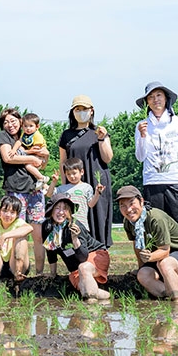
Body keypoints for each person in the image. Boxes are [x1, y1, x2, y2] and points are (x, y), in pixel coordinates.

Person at [134, 82, 178, 232]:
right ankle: (159, 255)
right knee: (156, 227)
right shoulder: (141, 125)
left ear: (166, 98)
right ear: (146, 103)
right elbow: (140, 157)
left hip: (176, 180)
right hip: (152, 182)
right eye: (150, 97)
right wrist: (142, 137)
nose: (155, 99)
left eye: (158, 95)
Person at [117, 185, 178, 300]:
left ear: (141, 201)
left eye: (131, 203)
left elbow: (165, 251)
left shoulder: (156, 218)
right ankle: (168, 295)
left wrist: (149, 257)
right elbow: (137, 245)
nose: (128, 209)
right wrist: (142, 266)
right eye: (123, 206)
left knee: (165, 263)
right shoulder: (128, 222)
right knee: (143, 274)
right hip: (157, 258)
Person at [0, 108, 48, 274]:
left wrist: (43, 157)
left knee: (38, 234)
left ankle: (39, 273)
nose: (10, 125)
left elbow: (42, 163)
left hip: (35, 189)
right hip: (16, 189)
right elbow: (7, 157)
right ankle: (19, 271)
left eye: (13, 121)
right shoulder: (4, 136)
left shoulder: (29, 136)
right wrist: (31, 158)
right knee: (19, 232)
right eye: (6, 122)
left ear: (20, 122)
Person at [58, 95, 114, 247]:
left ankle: (101, 255)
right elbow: (63, 162)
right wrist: (63, 188)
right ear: (72, 112)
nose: (81, 112)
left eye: (84, 109)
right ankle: (81, 255)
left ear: (91, 111)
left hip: (97, 180)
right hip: (74, 184)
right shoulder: (66, 135)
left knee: (98, 216)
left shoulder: (99, 131)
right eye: (77, 109)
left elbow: (108, 158)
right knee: (78, 217)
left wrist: (102, 139)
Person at [41, 193, 110, 301]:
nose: (61, 212)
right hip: (75, 268)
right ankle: (106, 299)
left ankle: (91, 311)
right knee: (86, 291)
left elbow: (83, 257)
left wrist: (75, 239)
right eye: (57, 208)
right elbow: (50, 251)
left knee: (84, 268)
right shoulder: (47, 227)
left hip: (94, 256)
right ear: (51, 211)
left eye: (65, 209)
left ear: (69, 212)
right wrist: (53, 274)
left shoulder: (75, 226)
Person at [49, 157, 104, 233]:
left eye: (74, 173)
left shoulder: (87, 187)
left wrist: (97, 193)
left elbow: (91, 204)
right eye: (68, 174)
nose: (71, 176)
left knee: (81, 244)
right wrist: (54, 182)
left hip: (82, 224)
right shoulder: (62, 189)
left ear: (82, 172)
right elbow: (49, 194)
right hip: (65, 224)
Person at [10, 113, 50, 187]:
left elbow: (36, 149)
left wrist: (24, 152)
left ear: (37, 126)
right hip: (32, 156)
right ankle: (44, 186)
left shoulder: (37, 135)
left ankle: (42, 178)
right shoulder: (24, 135)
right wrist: (14, 149)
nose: (28, 128)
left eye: (31, 126)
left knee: (28, 166)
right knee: (29, 169)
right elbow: (19, 141)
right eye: (25, 126)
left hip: (40, 157)